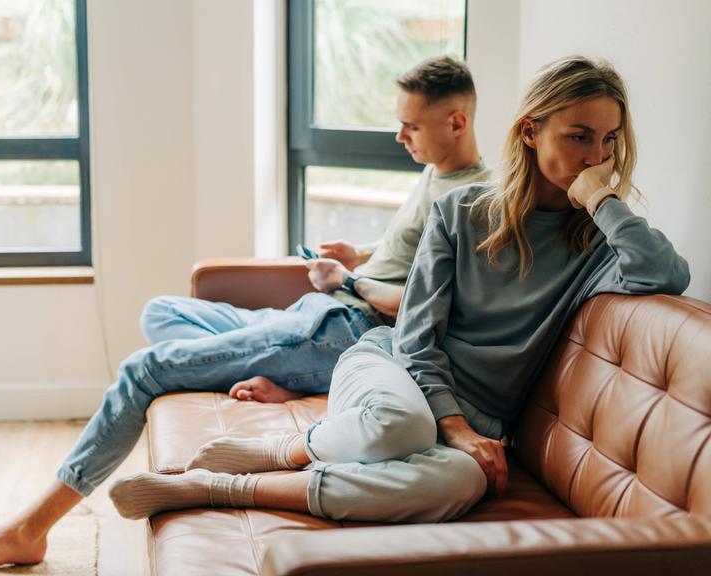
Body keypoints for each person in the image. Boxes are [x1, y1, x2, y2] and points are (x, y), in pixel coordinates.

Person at [0, 56, 490, 571]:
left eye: (411, 127)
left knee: (144, 369)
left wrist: (349, 281)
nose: (400, 136)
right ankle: (282, 372)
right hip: (319, 311)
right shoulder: (436, 173)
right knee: (161, 311)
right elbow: (412, 260)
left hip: (346, 330)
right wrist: (362, 255)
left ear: (456, 121)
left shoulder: (472, 202)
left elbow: (427, 308)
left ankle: (32, 526)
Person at [104, 55, 690, 525]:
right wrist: (454, 427)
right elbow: (414, 338)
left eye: (610, 141)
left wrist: (603, 200)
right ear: (530, 133)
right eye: (581, 137)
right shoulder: (462, 211)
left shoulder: (594, 242)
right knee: (403, 425)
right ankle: (294, 448)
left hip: (479, 417)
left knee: (463, 482)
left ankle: (225, 487)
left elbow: (664, 273)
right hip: (395, 370)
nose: (598, 158)